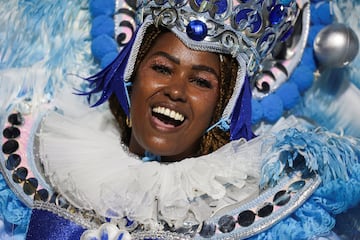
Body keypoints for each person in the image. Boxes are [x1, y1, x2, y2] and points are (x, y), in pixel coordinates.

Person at [0, 0, 359, 239]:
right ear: (132, 73)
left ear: (224, 103)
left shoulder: (256, 204)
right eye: (161, 68)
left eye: (201, 81)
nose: (176, 90)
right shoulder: (48, 158)